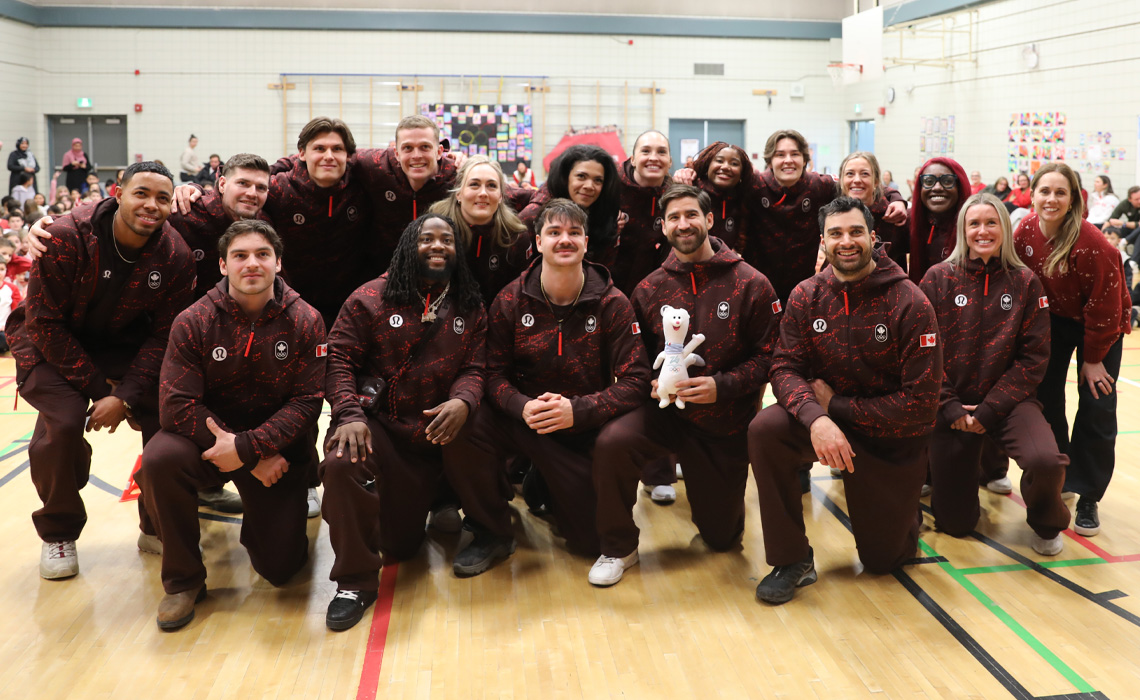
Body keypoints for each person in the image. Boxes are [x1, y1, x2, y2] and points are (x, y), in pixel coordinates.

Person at [3, 161, 196, 580]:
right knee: (65, 423)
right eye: (141, 193)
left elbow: (165, 337)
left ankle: (154, 525)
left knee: (167, 415)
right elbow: (45, 322)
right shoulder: (66, 235)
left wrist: (125, 394)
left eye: (163, 198)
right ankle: (58, 533)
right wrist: (99, 389)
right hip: (47, 342)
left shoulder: (175, 254)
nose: (152, 205)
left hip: (124, 345)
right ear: (117, 192)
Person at [750, 196, 941, 605]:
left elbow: (921, 405)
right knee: (766, 429)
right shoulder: (806, 295)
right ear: (823, 242)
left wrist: (836, 407)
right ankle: (792, 559)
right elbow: (783, 368)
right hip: (829, 424)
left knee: (882, 561)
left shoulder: (910, 301)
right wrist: (818, 419)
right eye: (835, 234)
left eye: (856, 232)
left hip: (891, 438)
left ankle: (905, 515)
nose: (846, 241)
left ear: (873, 236)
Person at [135, 219, 325, 629]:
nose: (251, 264)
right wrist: (245, 456)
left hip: (277, 453)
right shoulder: (193, 319)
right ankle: (183, 581)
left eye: (262, 255)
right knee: (160, 456)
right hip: (212, 442)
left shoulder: (306, 320)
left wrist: (249, 447)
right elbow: (176, 404)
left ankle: (272, 530)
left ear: (278, 263)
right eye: (240, 256)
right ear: (222, 265)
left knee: (281, 569)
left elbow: (308, 402)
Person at [447, 198, 650, 574]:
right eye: (554, 233)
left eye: (574, 233)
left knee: (589, 543)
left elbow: (637, 380)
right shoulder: (510, 299)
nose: (564, 240)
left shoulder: (612, 303)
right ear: (538, 242)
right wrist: (520, 405)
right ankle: (491, 532)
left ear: (586, 242)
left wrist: (578, 410)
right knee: (466, 423)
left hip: (579, 430)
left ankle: (543, 481)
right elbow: (491, 373)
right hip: (523, 420)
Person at [590, 184, 780, 586]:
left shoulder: (752, 283)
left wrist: (722, 386)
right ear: (662, 227)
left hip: (724, 423)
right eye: (673, 217)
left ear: (709, 220)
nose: (683, 224)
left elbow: (770, 358)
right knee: (612, 442)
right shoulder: (648, 288)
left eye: (691, 214)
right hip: (665, 415)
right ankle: (618, 547)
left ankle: (720, 517)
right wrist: (652, 385)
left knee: (721, 539)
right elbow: (635, 361)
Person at [319, 213, 486, 631]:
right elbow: (338, 359)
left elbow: (477, 365)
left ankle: (436, 504)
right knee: (342, 459)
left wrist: (464, 400)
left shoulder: (469, 302)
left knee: (400, 547)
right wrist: (349, 414)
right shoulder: (369, 298)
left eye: (446, 240)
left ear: (456, 250)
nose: (436, 246)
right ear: (408, 247)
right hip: (377, 425)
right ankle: (354, 583)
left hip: (431, 435)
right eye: (425, 238)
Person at [919, 193, 1070, 554]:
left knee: (1046, 461)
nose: (983, 231)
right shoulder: (938, 279)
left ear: (1004, 228)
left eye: (991, 223)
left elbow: (1034, 357)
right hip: (951, 407)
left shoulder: (1025, 281)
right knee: (954, 524)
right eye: (974, 223)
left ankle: (1047, 521)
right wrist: (950, 406)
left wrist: (990, 410)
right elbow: (923, 353)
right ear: (962, 230)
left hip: (1009, 404)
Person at [1014, 162, 1130, 538]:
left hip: (1100, 323)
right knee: (1045, 398)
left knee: (1096, 404)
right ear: (1033, 195)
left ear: (1074, 199)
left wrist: (1094, 360)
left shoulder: (1091, 243)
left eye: (1060, 192)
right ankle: (1060, 472)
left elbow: (1106, 308)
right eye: (1044, 191)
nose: (1051, 199)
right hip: (1054, 320)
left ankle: (1089, 495)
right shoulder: (1025, 231)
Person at [428, 155, 532, 306]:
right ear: (459, 194)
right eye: (474, 184)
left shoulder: (516, 237)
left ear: (501, 196)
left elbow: (521, 298)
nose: (483, 193)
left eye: (491, 186)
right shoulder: (434, 229)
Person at [518, 144, 623, 270]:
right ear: (565, 177)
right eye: (581, 176)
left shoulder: (605, 216)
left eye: (598, 180)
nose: (589, 186)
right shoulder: (533, 215)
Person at [610, 130, 674, 296]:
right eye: (645, 151)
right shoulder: (609, 187)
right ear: (633, 160)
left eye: (661, 152)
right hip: (608, 287)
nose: (653, 157)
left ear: (670, 162)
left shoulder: (675, 196)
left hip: (653, 291)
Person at [906, 157, 970, 283]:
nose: (937, 187)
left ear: (960, 186)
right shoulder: (907, 222)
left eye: (947, 181)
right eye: (929, 181)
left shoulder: (975, 227)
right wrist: (895, 199)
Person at [839, 151, 907, 269]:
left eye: (864, 174)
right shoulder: (833, 214)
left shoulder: (893, 216)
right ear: (841, 180)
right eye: (850, 174)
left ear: (876, 181)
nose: (857, 180)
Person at [689, 141, 754, 251]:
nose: (725, 167)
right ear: (708, 165)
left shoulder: (744, 198)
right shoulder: (690, 191)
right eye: (719, 161)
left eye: (734, 163)